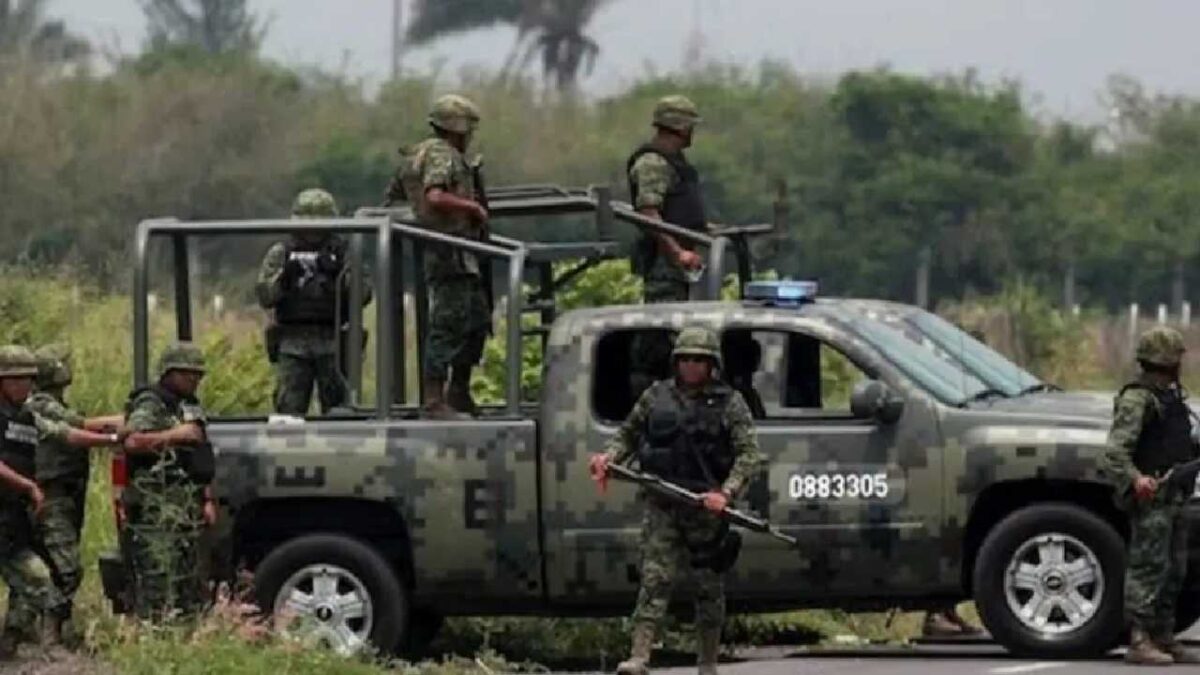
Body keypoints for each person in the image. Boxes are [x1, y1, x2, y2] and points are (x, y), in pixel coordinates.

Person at [589, 327, 763, 675]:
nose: (691, 366)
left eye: (699, 360)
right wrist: (608, 458)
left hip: (705, 509)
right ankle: (639, 656)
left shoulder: (730, 403)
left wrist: (725, 493)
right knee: (655, 579)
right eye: (685, 359)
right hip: (663, 502)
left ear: (712, 364)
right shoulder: (656, 396)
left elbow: (749, 456)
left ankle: (708, 662)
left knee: (708, 588)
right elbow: (628, 434)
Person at [0, 345, 121, 657]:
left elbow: (66, 434)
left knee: (38, 578)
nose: (28, 385)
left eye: (30, 378)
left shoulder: (26, 415)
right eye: (20, 379)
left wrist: (111, 440)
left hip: (10, 519)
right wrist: (29, 486)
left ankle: (16, 643)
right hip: (17, 506)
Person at [1100, 326, 1200, 665]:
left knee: (1174, 568)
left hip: (1177, 495)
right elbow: (1115, 452)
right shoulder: (1138, 398)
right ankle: (1139, 639)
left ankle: (1164, 635)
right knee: (1148, 569)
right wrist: (1136, 479)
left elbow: (1177, 440)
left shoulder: (1170, 396)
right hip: (1153, 497)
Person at [388, 94, 490, 418]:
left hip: (462, 250)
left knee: (475, 321)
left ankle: (458, 391)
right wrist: (472, 207)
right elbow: (434, 196)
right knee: (448, 324)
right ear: (456, 127)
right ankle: (434, 400)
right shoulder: (440, 154)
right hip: (449, 251)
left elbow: (393, 196)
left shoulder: (422, 154)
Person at [122, 342, 217, 619]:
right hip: (156, 506)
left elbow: (200, 454)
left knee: (188, 578)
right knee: (158, 577)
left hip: (185, 504)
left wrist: (207, 498)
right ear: (169, 373)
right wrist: (176, 436)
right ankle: (154, 636)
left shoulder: (188, 405)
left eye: (198, 375)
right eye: (188, 374)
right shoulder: (151, 402)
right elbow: (132, 441)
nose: (194, 380)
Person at [627, 95, 708, 400]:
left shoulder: (675, 163)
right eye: (689, 125)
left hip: (681, 263)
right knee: (662, 332)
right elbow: (649, 213)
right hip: (665, 264)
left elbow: (678, 209)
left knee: (680, 329)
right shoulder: (652, 163)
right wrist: (677, 253)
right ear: (679, 125)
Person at [257, 188, 362, 415]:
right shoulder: (282, 252)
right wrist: (285, 280)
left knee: (339, 410)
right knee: (288, 410)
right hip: (292, 339)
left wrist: (338, 278)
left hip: (333, 337)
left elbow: (363, 295)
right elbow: (265, 297)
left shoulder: (344, 251)